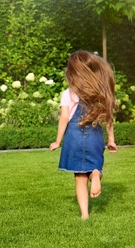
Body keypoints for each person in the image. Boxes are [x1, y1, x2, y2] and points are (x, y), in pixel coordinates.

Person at [50, 50, 118, 220]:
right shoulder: (99, 93)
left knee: (79, 176)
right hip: (95, 136)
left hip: (74, 138)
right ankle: (95, 174)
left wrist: (57, 141)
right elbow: (108, 118)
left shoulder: (68, 93)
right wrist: (111, 139)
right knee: (95, 166)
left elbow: (64, 118)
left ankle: (85, 215)